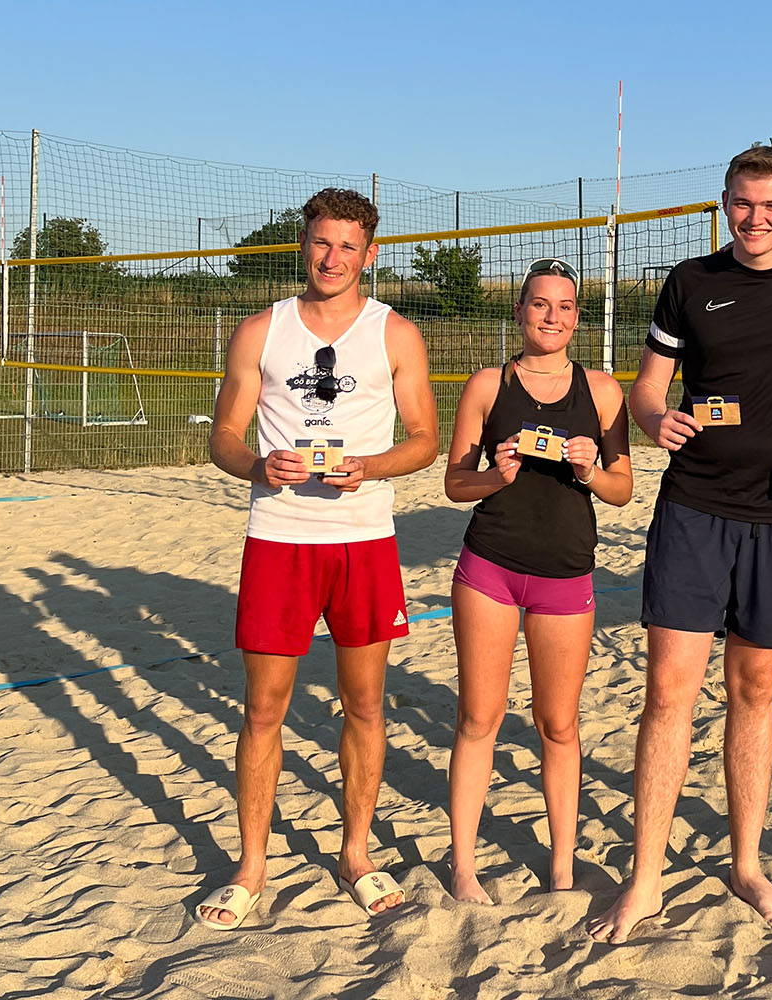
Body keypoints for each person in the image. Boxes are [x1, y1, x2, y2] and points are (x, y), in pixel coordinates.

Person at [587, 146, 772, 942]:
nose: (757, 219)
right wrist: (653, 419)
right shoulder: (691, 281)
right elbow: (647, 389)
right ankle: (645, 880)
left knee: (754, 693)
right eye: (743, 204)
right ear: (724, 202)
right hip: (696, 508)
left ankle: (745, 862)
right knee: (668, 693)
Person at [197, 187, 439, 929]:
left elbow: (425, 439)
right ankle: (250, 865)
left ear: (371, 254)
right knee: (264, 707)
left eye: (347, 246)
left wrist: (371, 465)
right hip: (279, 538)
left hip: (362, 539)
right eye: (320, 242)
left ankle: (356, 853)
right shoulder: (260, 331)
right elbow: (223, 436)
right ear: (303, 244)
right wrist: (256, 465)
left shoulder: (394, 333)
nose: (332, 258)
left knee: (364, 704)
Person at [443, 258, 632, 903]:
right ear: (520, 311)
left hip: (564, 576)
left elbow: (623, 491)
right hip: (490, 567)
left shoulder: (604, 393)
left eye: (565, 306)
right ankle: (464, 867)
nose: (552, 317)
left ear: (577, 316)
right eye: (540, 304)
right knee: (479, 718)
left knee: (559, 725)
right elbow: (453, 485)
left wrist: (589, 472)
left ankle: (561, 866)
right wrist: (495, 476)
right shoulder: (487, 386)